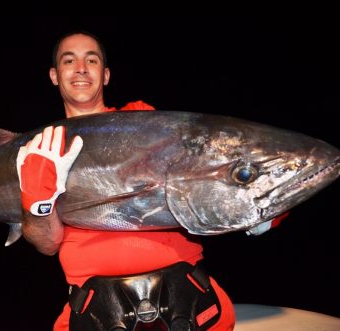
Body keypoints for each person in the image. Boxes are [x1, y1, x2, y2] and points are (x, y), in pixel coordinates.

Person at [16, 30, 275, 330]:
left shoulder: (143, 123)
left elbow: (201, 179)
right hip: (97, 314)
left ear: (106, 74)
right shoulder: (40, 151)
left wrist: (255, 204)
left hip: (187, 305)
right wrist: (38, 204)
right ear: (54, 75)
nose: (82, 68)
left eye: (92, 60)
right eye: (69, 60)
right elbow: (46, 243)